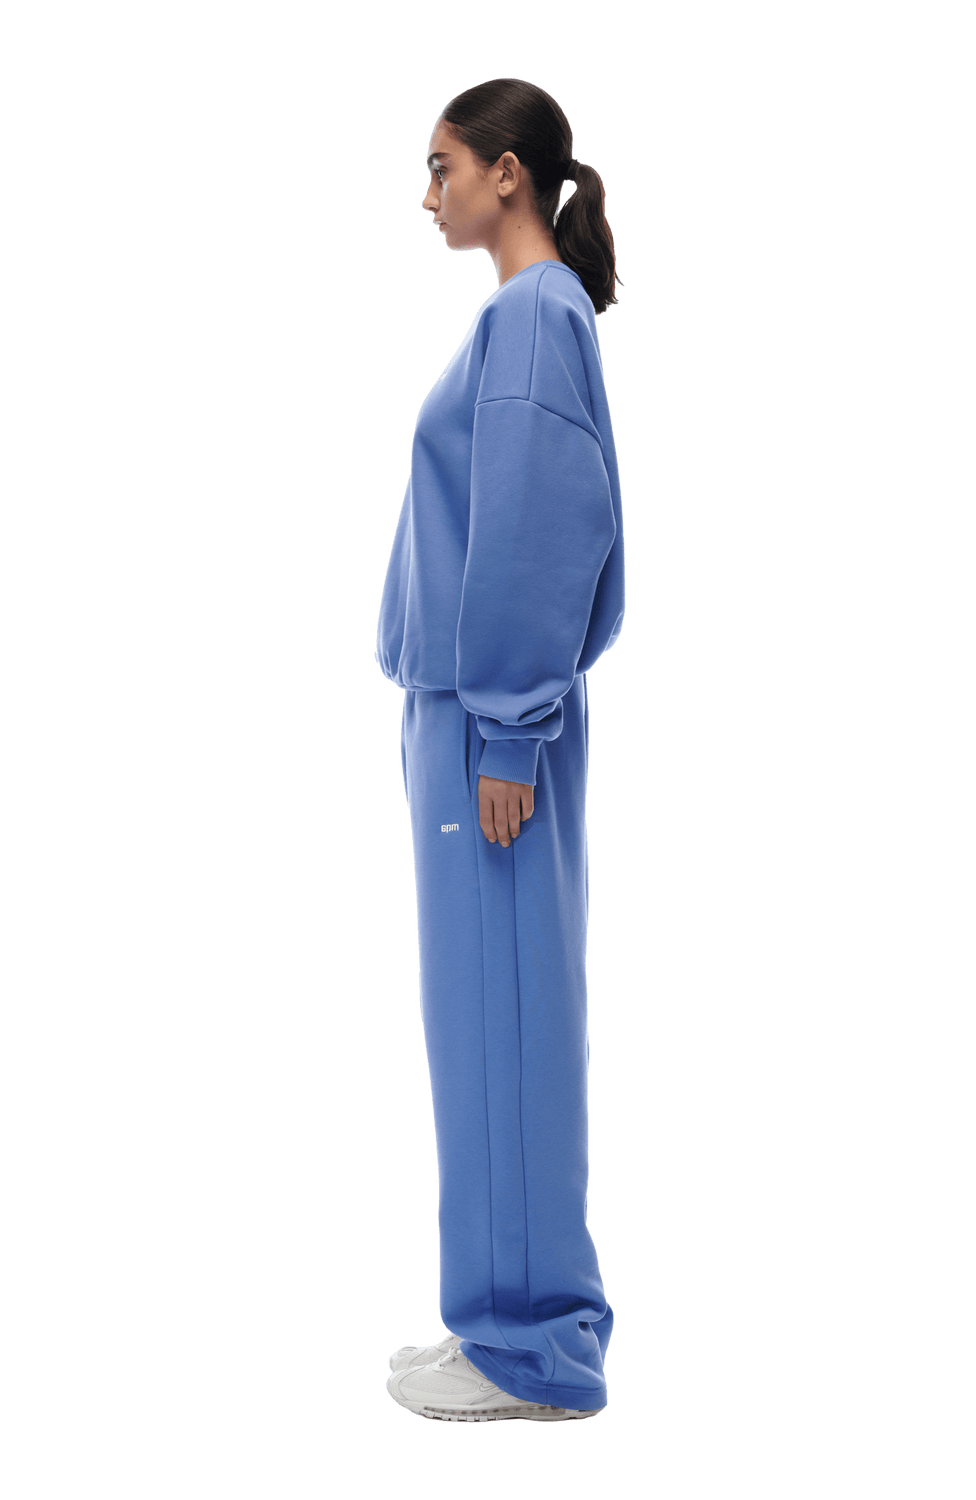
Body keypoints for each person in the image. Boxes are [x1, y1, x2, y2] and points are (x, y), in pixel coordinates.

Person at [374, 76, 628, 1425]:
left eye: (442, 168)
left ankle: (527, 1347)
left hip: (491, 723)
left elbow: (538, 529)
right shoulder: (529, 315)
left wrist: (510, 738)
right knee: (485, 1017)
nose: (428, 196)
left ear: (508, 174)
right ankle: (503, 1319)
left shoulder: (532, 318)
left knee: (503, 1017)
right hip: (473, 713)